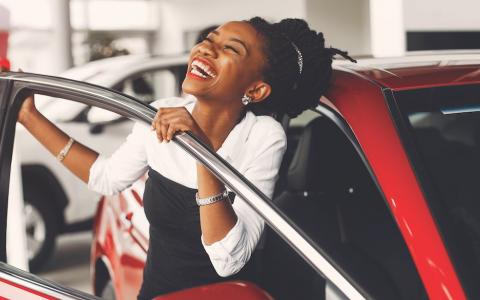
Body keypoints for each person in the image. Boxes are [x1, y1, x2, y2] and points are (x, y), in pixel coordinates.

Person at [17, 17, 354, 299]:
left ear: (255, 90)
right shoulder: (162, 112)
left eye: (230, 49)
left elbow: (228, 259)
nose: (207, 48)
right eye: (210, 39)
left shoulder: (263, 136)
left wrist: (199, 149)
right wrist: (30, 116)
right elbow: (106, 178)